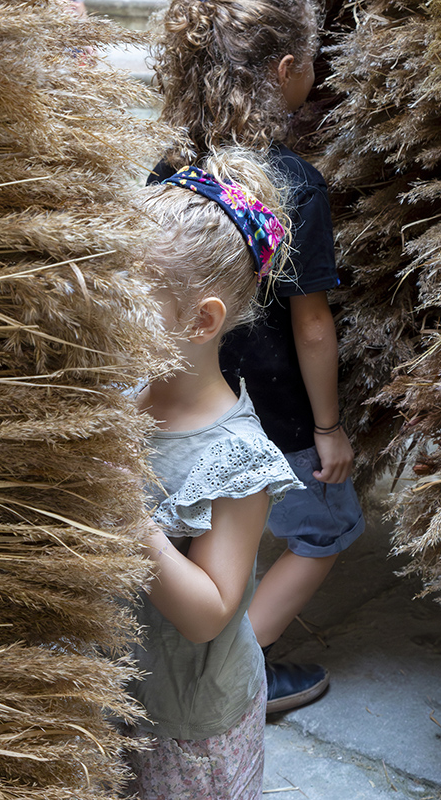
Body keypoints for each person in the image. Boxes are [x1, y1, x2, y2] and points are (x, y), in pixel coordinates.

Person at [148, 0, 365, 715]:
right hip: (272, 398)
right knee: (328, 525)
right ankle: (248, 662)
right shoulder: (292, 183)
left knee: (205, 523)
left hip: (194, 385)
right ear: (284, 71)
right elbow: (310, 324)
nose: (317, 71)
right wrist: (329, 428)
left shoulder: (169, 165)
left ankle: (196, 629)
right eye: (311, 58)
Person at [127, 153, 303, 799]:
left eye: (132, 296)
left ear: (201, 320)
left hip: (191, 727)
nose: (111, 305)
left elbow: (208, 611)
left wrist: (127, 517)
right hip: (130, 691)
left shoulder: (236, 458)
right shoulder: (131, 397)